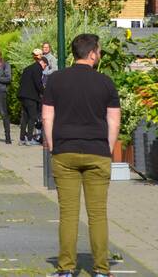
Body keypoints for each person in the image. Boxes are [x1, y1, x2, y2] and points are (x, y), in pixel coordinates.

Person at [42, 34, 121, 277]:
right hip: (97, 151)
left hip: (65, 151)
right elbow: (114, 121)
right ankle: (100, 269)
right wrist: (106, 149)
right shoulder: (106, 82)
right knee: (97, 214)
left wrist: (54, 145)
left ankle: (66, 268)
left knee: (68, 213)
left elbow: (47, 116)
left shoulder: (56, 80)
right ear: (92, 54)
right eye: (98, 51)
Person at [17, 49, 46, 145]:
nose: (44, 68)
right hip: (31, 97)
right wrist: (44, 92)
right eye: (45, 65)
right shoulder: (37, 68)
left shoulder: (27, 68)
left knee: (24, 117)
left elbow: (21, 82)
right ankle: (29, 139)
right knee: (32, 117)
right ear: (42, 62)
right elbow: (38, 83)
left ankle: (22, 139)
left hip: (23, 96)